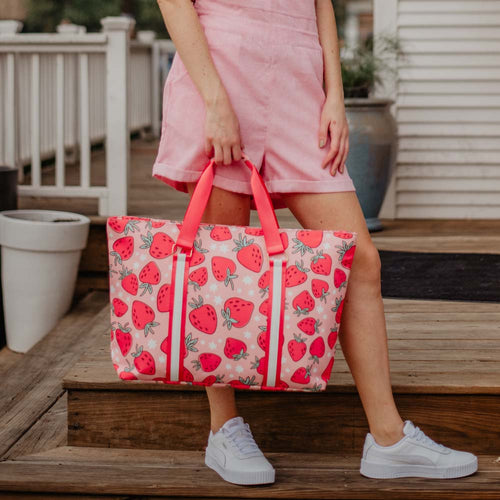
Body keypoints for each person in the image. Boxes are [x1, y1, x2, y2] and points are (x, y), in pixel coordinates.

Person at [153, 0, 478, 485]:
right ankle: (224, 431)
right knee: (221, 262)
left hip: (299, 80)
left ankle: (388, 440)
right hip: (221, 66)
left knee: (358, 258)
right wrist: (215, 99)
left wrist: (334, 95)